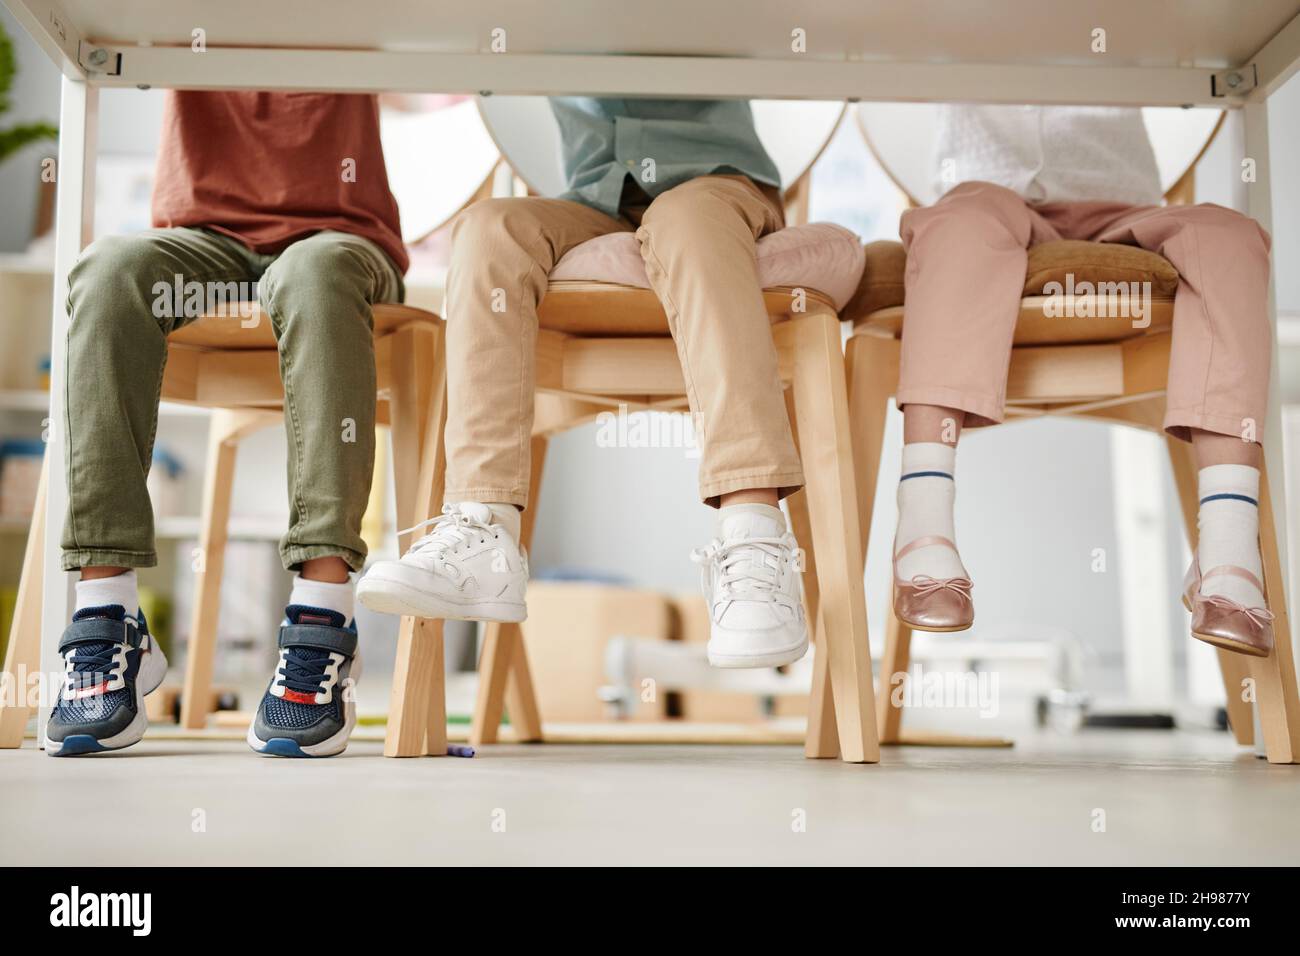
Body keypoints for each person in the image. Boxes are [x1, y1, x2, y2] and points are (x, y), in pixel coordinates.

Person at [358, 97, 808, 669]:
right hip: (594, 197)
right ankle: (483, 526)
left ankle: (754, 533)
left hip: (716, 187)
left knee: (686, 219)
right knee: (490, 227)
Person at [46, 91, 407, 757]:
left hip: (339, 239)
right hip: (200, 241)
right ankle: (108, 609)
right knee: (108, 272)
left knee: (317, 272)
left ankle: (323, 607)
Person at [891, 104, 1274, 657]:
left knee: (1230, 238)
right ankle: (922, 520)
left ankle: (1230, 544)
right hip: (986, 195)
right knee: (955, 226)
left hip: (1124, 206)